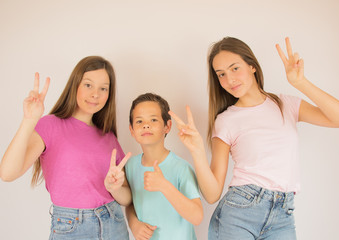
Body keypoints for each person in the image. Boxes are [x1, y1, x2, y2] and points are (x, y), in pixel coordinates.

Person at [169, 37, 339, 240]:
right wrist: (196, 151)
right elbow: (212, 194)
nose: (229, 79)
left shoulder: (286, 105)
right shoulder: (225, 120)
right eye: (221, 74)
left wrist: (300, 82)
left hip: (283, 215)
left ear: (252, 66)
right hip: (239, 213)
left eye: (234, 68)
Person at [0, 56, 131, 240]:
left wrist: (114, 188)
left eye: (103, 88)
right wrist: (29, 120)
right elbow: (7, 173)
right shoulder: (50, 125)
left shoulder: (108, 136)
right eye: (88, 85)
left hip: (114, 223)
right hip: (72, 228)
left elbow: (126, 198)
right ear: (74, 85)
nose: (95, 94)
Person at [125, 93, 203, 240]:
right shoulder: (130, 166)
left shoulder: (181, 168)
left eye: (153, 120)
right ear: (132, 130)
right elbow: (129, 203)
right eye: (139, 121)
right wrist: (133, 224)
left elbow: (197, 217)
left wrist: (164, 186)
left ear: (167, 126)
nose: (146, 125)